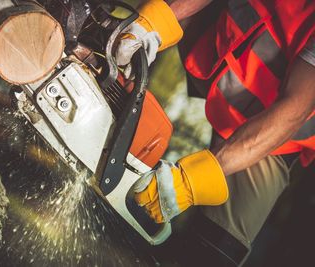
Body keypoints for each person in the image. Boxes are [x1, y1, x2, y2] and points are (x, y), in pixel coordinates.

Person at [116, 0, 315, 263]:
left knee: (217, 250)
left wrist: (193, 180)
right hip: (215, 52)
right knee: (141, 22)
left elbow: (294, 109)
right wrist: (152, 23)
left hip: (273, 138)